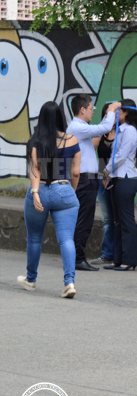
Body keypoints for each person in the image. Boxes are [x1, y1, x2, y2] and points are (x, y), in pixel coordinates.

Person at [17, 101, 83, 298]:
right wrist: (70, 191)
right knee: (66, 239)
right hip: (64, 189)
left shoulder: (36, 141)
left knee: (35, 239)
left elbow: (35, 169)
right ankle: (69, 283)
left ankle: (31, 280)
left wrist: (36, 193)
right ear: (61, 117)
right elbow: (76, 171)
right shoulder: (72, 140)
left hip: (42, 191)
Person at [67, 94, 116, 271]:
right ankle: (78, 258)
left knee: (82, 219)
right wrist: (111, 110)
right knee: (84, 220)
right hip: (84, 179)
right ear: (82, 110)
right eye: (91, 108)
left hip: (87, 178)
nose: (92, 111)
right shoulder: (78, 127)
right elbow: (105, 127)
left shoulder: (80, 127)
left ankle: (76, 257)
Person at [102, 99, 137, 271]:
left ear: (126, 113)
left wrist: (106, 170)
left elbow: (121, 155)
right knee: (117, 221)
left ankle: (129, 260)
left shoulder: (130, 130)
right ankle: (117, 259)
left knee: (126, 221)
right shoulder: (120, 130)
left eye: (118, 111)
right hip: (117, 178)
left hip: (126, 179)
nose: (115, 114)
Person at [89, 103, 115, 266]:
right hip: (101, 180)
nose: (110, 117)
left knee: (118, 218)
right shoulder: (101, 133)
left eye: (113, 114)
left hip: (117, 181)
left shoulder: (123, 132)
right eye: (107, 114)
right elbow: (91, 149)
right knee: (107, 219)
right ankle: (107, 254)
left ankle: (119, 254)